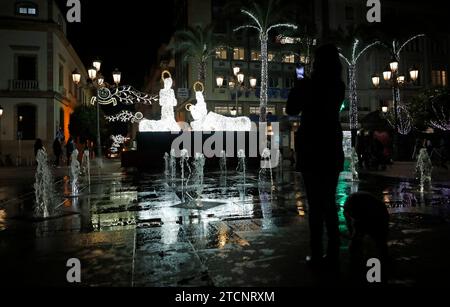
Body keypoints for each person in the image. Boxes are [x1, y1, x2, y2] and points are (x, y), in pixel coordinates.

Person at [286, 44, 345, 267]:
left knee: (315, 203)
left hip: (312, 149)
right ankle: (334, 250)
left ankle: (316, 251)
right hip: (331, 147)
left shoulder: (309, 85)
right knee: (329, 201)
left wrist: (299, 83)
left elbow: (291, 109)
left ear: (317, 63)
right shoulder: (339, 85)